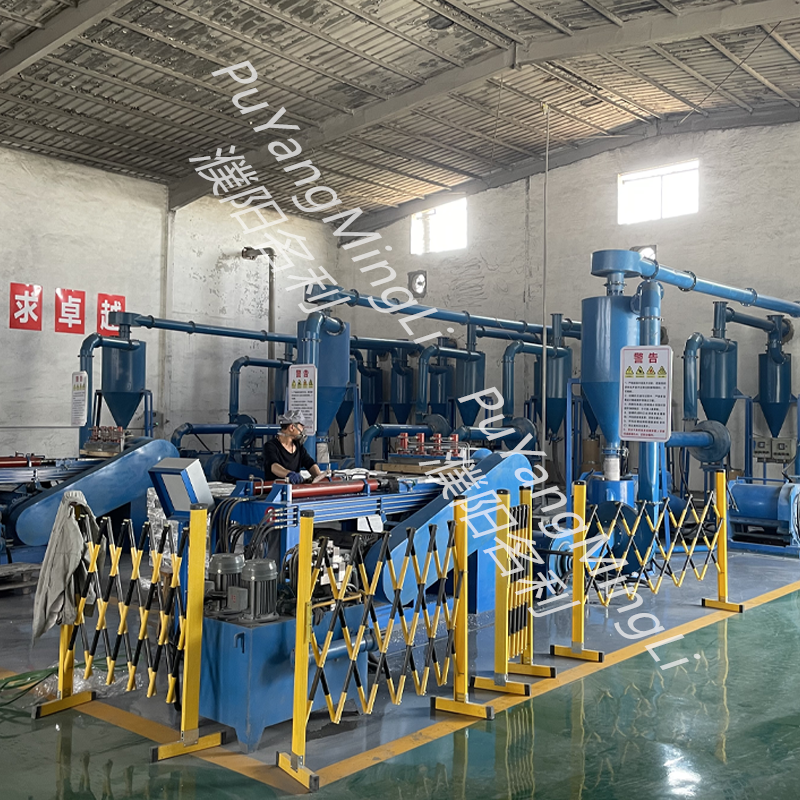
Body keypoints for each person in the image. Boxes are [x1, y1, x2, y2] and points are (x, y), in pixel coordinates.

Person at [263, 410, 322, 484]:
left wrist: (320, 476)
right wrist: (289, 474)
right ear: (292, 427)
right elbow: (274, 466)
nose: (303, 430)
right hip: (275, 488)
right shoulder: (271, 446)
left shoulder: (298, 447)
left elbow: (310, 463)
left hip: (294, 488)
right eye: (301, 426)